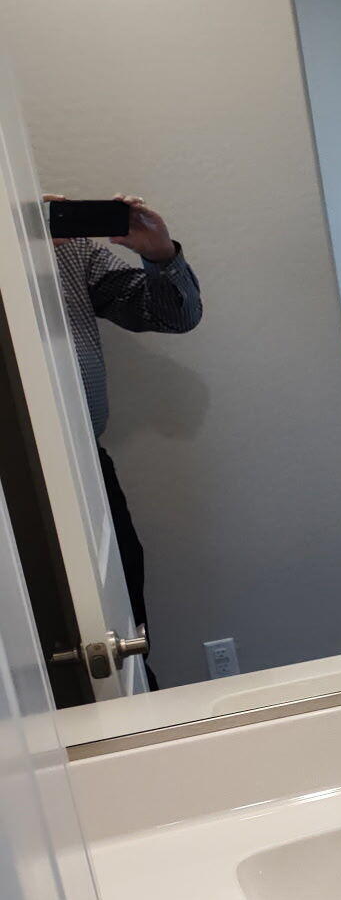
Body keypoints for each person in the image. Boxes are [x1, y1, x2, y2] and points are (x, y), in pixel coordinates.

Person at [47, 193, 202, 678]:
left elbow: (174, 316)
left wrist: (159, 255)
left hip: (86, 472)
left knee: (121, 638)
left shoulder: (63, 246)